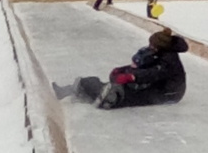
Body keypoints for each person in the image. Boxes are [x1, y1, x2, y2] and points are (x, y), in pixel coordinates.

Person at [54, 26, 188, 109]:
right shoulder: (159, 53)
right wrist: (123, 70)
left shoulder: (169, 59)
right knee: (107, 84)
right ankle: (72, 90)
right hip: (157, 87)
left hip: (168, 94)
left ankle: (109, 98)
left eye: (152, 45)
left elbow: (153, 73)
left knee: (129, 94)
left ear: (160, 46)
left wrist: (131, 76)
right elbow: (144, 66)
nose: (150, 47)